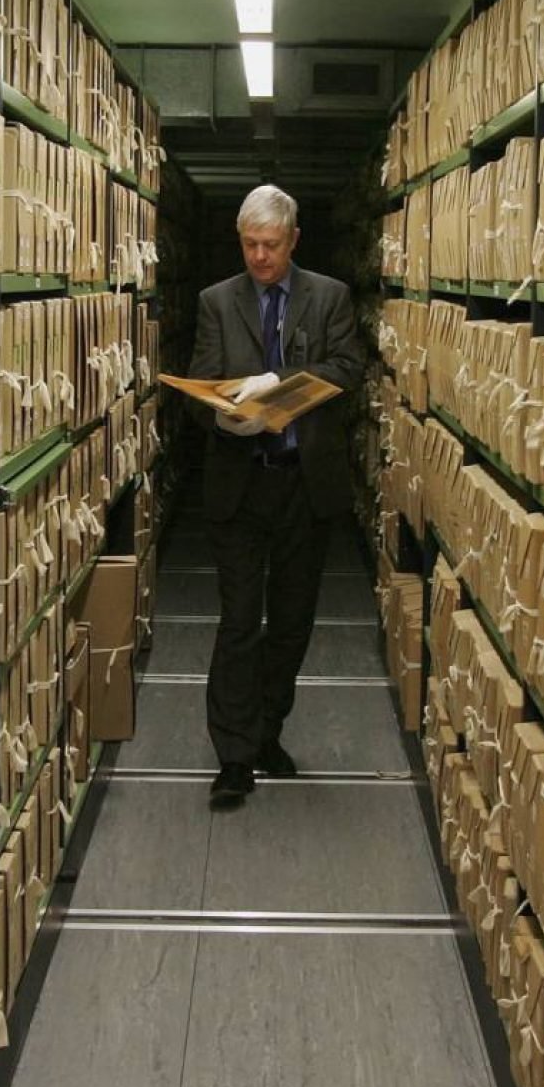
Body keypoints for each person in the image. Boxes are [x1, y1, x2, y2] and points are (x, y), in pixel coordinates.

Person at [185, 184, 366, 805]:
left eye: (270, 245)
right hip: (241, 484)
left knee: (290, 623)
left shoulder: (330, 297)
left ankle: (267, 731)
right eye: (249, 244)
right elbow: (203, 378)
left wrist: (280, 383)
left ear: (293, 240)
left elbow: (348, 367)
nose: (259, 257)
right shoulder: (216, 301)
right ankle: (232, 754)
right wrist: (223, 415)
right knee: (239, 621)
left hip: (303, 487)